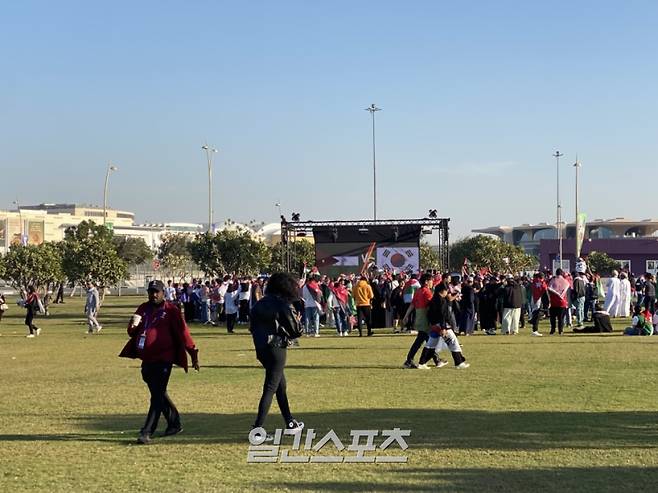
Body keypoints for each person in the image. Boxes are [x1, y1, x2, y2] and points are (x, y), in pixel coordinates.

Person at [119, 280, 199, 445]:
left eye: (157, 292)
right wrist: (132, 325)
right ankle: (174, 423)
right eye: (151, 292)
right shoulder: (143, 308)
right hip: (147, 359)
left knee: (156, 395)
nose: (153, 295)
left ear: (163, 292)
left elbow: (184, 333)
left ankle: (147, 431)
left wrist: (192, 353)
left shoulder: (171, 311)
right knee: (158, 393)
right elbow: (132, 332)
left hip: (164, 358)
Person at [249, 272, 304, 433]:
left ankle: (290, 421)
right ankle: (257, 428)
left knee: (280, 384)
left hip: (261, 347)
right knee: (271, 386)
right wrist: (298, 321)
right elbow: (296, 331)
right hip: (276, 347)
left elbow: (252, 326)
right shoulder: (283, 304)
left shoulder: (259, 304)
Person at [417, 283, 469, 369]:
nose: (447, 292)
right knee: (454, 342)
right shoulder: (442, 301)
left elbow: (429, 314)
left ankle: (422, 362)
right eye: (447, 290)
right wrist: (443, 327)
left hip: (434, 326)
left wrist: (433, 324)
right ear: (443, 291)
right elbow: (443, 315)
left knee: (430, 345)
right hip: (442, 326)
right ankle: (459, 362)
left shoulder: (433, 300)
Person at [402, 274, 445, 368]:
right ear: (426, 281)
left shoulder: (418, 291)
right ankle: (435, 360)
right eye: (431, 280)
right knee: (428, 340)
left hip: (419, 317)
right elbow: (433, 306)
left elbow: (412, 305)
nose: (432, 282)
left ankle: (435, 359)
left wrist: (406, 316)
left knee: (423, 340)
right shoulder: (427, 292)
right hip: (426, 318)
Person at [548, 269, 570, 335]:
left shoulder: (553, 280)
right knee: (561, 318)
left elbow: (549, 288)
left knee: (553, 318)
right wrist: (561, 295)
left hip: (553, 302)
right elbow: (566, 289)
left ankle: (553, 330)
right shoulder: (565, 281)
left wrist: (556, 293)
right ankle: (561, 330)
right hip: (562, 302)